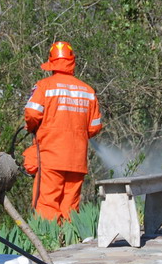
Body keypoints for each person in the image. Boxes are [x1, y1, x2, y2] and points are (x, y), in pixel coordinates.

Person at [23, 41, 102, 222]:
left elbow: (32, 113)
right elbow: (95, 126)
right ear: (72, 61)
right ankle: (70, 238)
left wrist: (33, 128)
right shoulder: (88, 91)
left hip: (50, 157)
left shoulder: (44, 86)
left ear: (51, 62)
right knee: (70, 208)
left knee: (47, 205)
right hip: (76, 159)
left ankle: (49, 239)